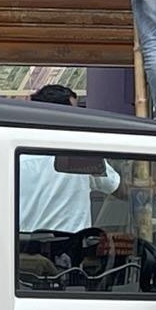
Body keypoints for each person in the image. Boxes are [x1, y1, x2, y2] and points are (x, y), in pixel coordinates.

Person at [17, 84, 119, 233]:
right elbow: (113, 185)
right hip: (69, 247)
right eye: (75, 112)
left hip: (23, 246)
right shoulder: (80, 151)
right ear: (62, 114)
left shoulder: (16, 149)